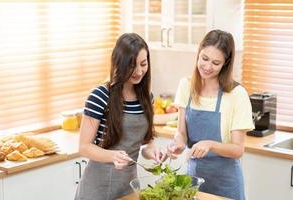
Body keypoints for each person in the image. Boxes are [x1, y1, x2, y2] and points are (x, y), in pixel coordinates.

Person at [75, 33, 166, 200]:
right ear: (119, 63)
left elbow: (145, 144)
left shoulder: (147, 98)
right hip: (97, 189)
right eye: (132, 65)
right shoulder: (100, 95)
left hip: (129, 188)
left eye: (143, 64)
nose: (139, 71)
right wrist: (113, 156)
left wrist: (153, 152)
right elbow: (84, 147)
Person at [169, 30, 254, 200]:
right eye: (204, 59)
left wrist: (210, 144)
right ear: (198, 53)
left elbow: (238, 149)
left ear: (225, 63)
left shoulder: (237, 94)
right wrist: (177, 143)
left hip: (226, 185)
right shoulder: (186, 85)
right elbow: (181, 133)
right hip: (193, 181)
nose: (208, 67)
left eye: (216, 63)